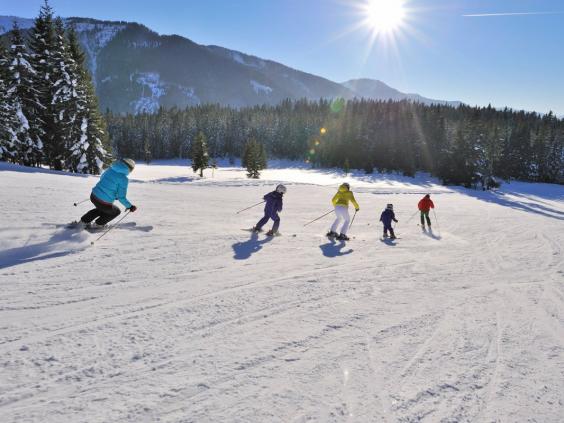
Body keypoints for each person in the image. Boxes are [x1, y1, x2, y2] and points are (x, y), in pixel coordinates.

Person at [76, 158, 138, 229]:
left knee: (101, 209)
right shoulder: (123, 179)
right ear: (129, 169)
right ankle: (98, 224)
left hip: (93, 195)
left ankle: (83, 221)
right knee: (116, 211)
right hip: (103, 202)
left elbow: (102, 179)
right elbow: (121, 197)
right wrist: (130, 206)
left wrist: (111, 193)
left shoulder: (110, 169)